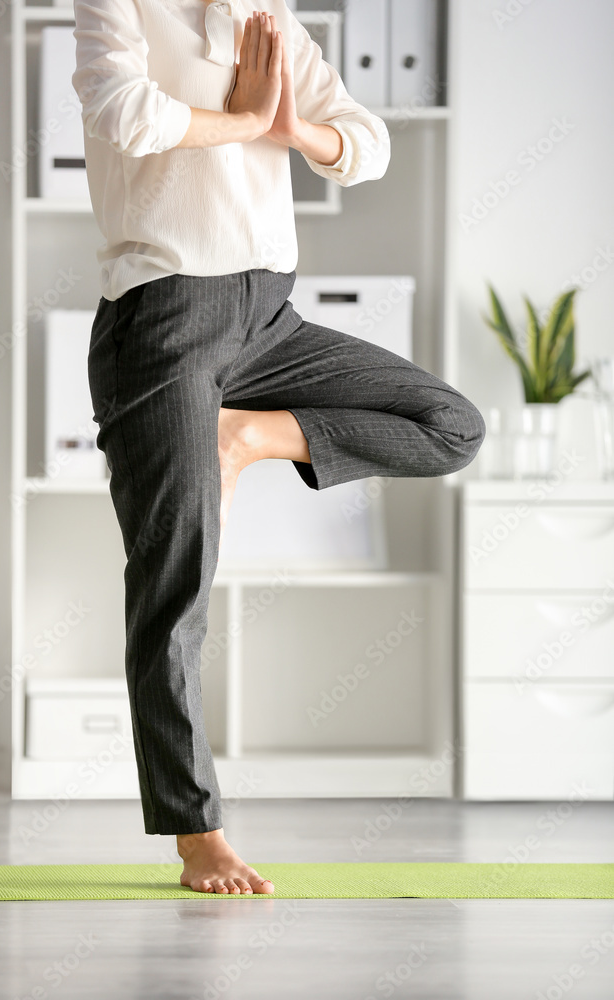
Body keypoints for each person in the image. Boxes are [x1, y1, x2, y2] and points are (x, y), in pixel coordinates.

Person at [72, 0, 486, 896]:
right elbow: (123, 113)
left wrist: (298, 129)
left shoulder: (263, 16)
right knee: (174, 588)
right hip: (163, 322)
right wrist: (248, 120)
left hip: (269, 318)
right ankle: (197, 833)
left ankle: (253, 434)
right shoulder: (119, 4)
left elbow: (364, 141)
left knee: (451, 425)